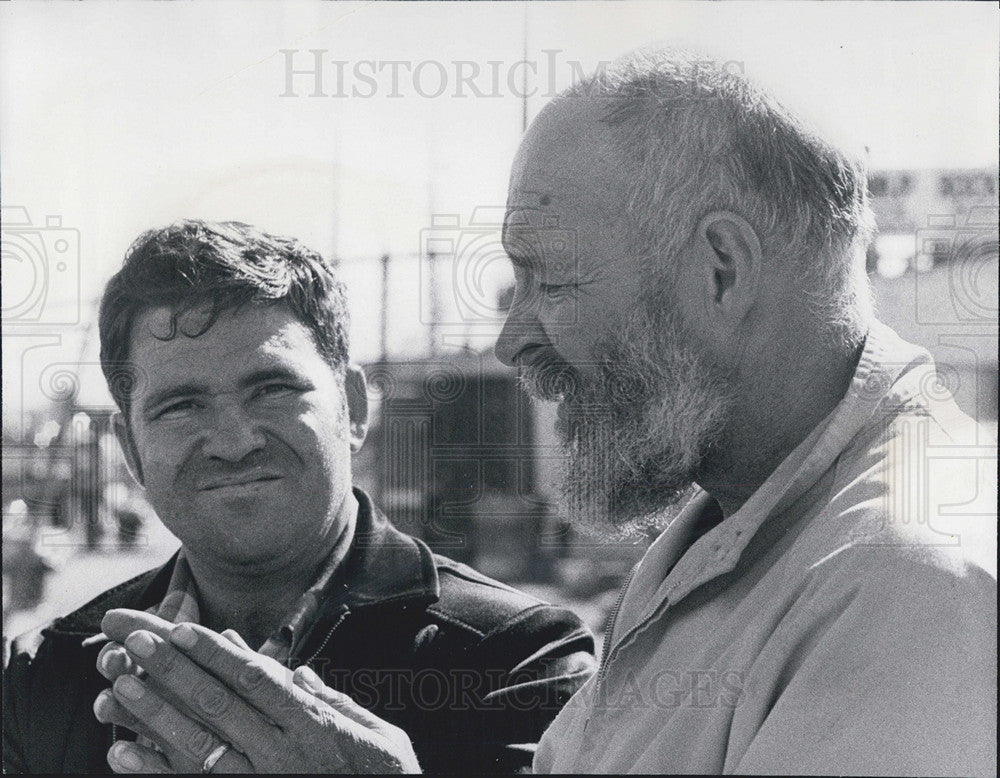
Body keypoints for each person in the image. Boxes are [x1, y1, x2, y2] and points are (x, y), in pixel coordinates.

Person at [51, 49, 995, 776]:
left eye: (549, 280)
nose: (513, 342)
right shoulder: (748, 531)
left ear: (720, 270)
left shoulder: (903, 584)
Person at [2, 220, 596, 774]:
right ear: (130, 450)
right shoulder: (44, 674)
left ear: (355, 408)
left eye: (272, 389)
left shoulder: (518, 659)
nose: (234, 442)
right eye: (182, 405)